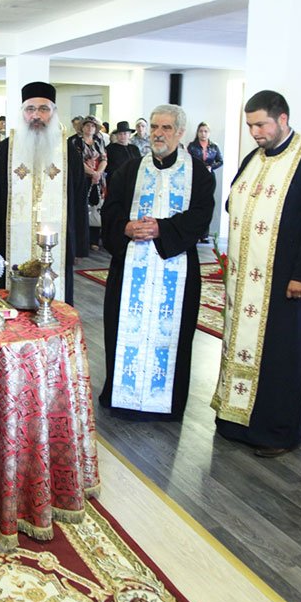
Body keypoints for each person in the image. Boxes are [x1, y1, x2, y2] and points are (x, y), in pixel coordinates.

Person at [211, 89, 301, 457]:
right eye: (250, 125)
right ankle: (236, 420)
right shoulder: (255, 157)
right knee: (241, 346)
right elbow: (234, 202)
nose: (255, 132)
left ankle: (279, 431)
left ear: (282, 119)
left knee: (281, 356)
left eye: (261, 124)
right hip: (246, 279)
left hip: (284, 280)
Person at [100, 105, 214, 420]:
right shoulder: (129, 170)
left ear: (180, 132)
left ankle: (165, 403)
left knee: (174, 336)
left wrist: (162, 229)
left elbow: (201, 217)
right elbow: (110, 211)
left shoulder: (199, 174)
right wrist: (125, 227)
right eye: (154, 127)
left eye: (166, 128)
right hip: (130, 267)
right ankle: (122, 396)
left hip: (177, 267)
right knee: (123, 329)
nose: (158, 134)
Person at [0, 81, 87, 304]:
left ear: (53, 113)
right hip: (8, 243)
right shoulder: (5, 151)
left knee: (57, 305)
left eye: (43, 109)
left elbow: (79, 199)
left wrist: (77, 245)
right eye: (30, 109)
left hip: (57, 246)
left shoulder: (68, 153)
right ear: (22, 113)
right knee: (9, 305)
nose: (36, 115)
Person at [74, 115, 107, 250]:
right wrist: (92, 173)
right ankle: (81, 241)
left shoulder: (99, 141)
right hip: (82, 178)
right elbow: (78, 161)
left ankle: (94, 240)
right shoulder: (76, 141)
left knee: (96, 207)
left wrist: (98, 173)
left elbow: (104, 159)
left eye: (93, 126)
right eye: (87, 125)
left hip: (98, 179)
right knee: (82, 208)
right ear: (82, 127)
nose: (90, 128)